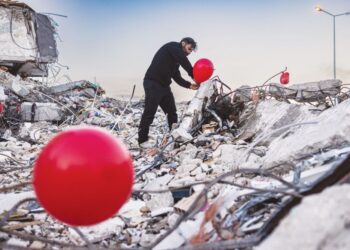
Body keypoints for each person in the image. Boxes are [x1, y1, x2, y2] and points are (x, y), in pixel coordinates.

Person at [138, 37, 199, 148]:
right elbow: (183, 60)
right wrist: (194, 75)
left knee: (172, 112)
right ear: (183, 43)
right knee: (149, 112)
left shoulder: (175, 61)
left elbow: (176, 76)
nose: (189, 53)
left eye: (191, 51)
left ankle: (174, 136)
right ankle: (142, 140)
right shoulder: (172, 47)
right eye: (189, 48)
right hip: (152, 83)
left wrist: (190, 85)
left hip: (164, 87)